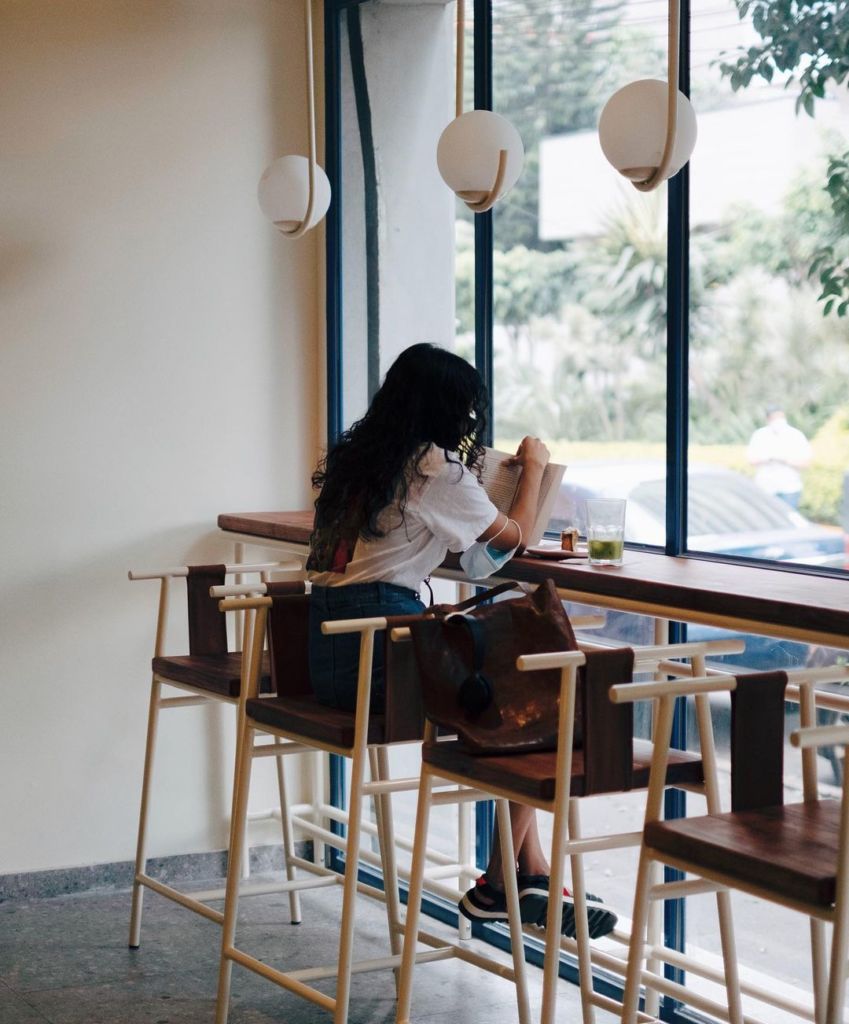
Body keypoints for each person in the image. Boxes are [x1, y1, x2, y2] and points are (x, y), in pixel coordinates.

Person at [306, 342, 616, 939]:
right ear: (452, 409)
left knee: (517, 693)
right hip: (377, 645)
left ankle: (526, 875)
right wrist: (531, 469)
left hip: (333, 647)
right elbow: (515, 536)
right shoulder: (432, 468)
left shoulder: (360, 459)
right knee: (541, 704)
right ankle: (504, 881)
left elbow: (438, 550)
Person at [746, 407, 811, 509]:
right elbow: (751, 460)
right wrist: (767, 457)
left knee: (788, 519)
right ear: (768, 419)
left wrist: (785, 459)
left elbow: (805, 463)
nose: (778, 421)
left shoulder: (795, 435)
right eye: (774, 418)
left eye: (781, 417)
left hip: (790, 487)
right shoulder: (759, 436)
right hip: (765, 487)